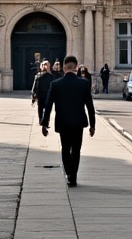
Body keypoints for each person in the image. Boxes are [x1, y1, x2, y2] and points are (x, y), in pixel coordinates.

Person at [41, 55, 96, 187]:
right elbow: (90, 106)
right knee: (76, 149)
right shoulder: (84, 84)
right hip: (78, 122)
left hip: (63, 122)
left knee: (65, 149)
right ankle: (74, 176)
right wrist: (92, 125)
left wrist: (44, 123)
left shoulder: (56, 84)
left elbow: (48, 106)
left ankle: (68, 173)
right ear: (76, 67)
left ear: (64, 68)